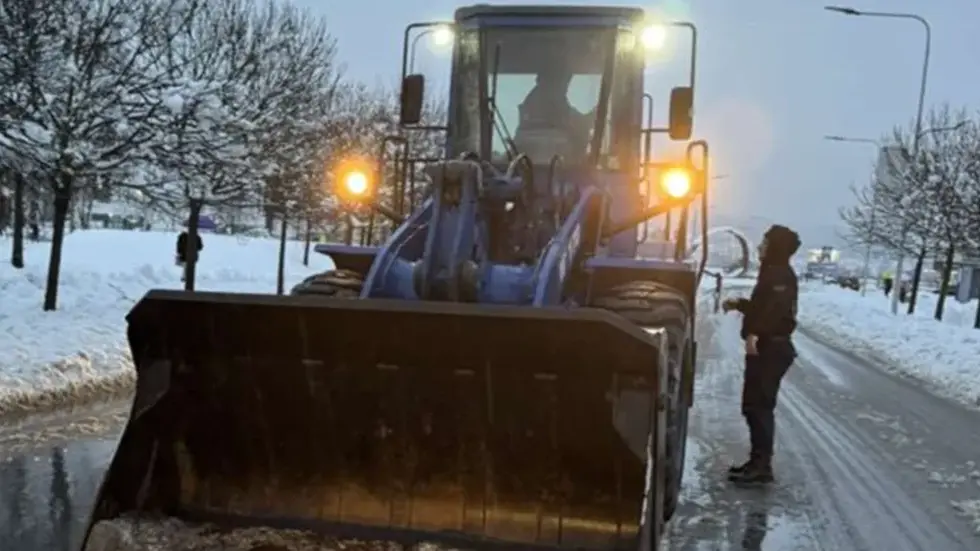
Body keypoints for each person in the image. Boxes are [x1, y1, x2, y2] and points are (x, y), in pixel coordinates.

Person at [721, 224, 801, 484]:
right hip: (769, 346)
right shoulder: (774, 273)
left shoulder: (778, 275)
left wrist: (755, 332)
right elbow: (764, 307)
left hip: (771, 348)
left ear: (774, 247)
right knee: (754, 406)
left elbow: (774, 310)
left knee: (760, 407)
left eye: (764, 243)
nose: (759, 247)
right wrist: (741, 305)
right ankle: (757, 462)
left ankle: (761, 466)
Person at [515, 66, 593, 156]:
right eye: (563, 81)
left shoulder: (547, 98)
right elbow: (573, 121)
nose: (565, 86)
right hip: (545, 161)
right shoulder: (545, 100)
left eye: (567, 81)